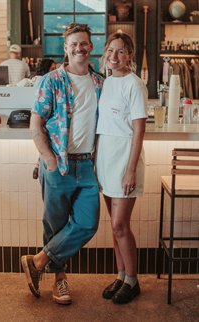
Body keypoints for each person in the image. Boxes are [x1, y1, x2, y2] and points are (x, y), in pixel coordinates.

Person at [21, 23, 103, 305]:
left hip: (87, 165)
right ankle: (60, 281)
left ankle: (38, 261)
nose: (79, 48)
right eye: (73, 44)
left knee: (88, 222)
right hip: (59, 164)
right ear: (66, 48)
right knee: (55, 225)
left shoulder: (100, 82)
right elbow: (35, 124)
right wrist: (49, 161)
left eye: (84, 43)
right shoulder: (51, 80)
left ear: (90, 47)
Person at [96, 31, 148, 304]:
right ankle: (120, 275)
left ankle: (133, 280)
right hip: (105, 157)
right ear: (105, 52)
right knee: (113, 226)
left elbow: (139, 131)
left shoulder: (135, 84)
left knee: (120, 225)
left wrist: (131, 171)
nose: (114, 56)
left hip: (125, 159)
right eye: (110, 50)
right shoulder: (105, 83)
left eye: (120, 51)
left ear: (130, 56)